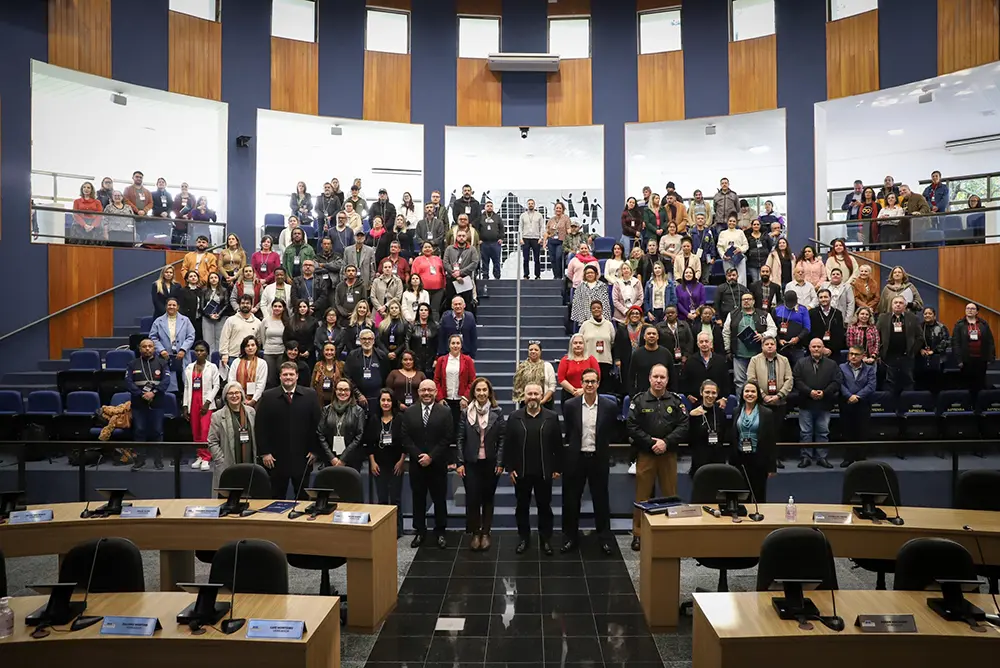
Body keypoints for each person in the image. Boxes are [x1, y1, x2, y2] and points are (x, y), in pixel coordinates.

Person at [627, 364, 688, 551]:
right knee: (642, 496)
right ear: (649, 378)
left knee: (671, 494)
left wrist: (666, 442)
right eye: (656, 377)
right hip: (646, 454)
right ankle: (638, 534)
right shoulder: (639, 401)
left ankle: (672, 533)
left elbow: (684, 426)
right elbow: (631, 426)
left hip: (668, 454)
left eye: (662, 377)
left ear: (667, 380)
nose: (659, 380)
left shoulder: (676, 401)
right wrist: (650, 442)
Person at [560, 368, 616, 555]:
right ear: (581, 384)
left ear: (598, 383)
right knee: (571, 501)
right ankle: (570, 538)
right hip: (576, 459)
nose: (590, 385)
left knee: (601, 500)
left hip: (598, 459)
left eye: (593, 381)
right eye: (586, 381)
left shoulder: (609, 406)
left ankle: (605, 540)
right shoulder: (570, 405)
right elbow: (570, 433)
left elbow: (610, 433)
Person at [255, 362, 330, 499]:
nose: (288, 377)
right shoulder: (268, 396)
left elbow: (318, 425)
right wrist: (265, 452)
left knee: (302, 499)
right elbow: (260, 427)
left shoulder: (310, 395)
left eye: (291, 374)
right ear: (280, 377)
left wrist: (315, 450)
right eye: (285, 374)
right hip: (275, 459)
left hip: (303, 458)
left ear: (297, 376)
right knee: (275, 499)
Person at [503, 382, 562, 555]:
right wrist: (510, 468)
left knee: (545, 507)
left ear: (541, 395)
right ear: (524, 396)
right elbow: (509, 445)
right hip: (521, 472)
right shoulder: (515, 417)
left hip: (544, 471)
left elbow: (557, 444)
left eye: (536, 394)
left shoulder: (551, 417)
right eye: (530, 394)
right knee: (522, 507)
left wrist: (558, 466)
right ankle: (524, 538)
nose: (533, 397)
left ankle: (545, 539)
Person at [401, 379, 453, 548]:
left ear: (436, 392)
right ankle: (420, 532)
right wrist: (418, 456)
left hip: (437, 464)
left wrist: (431, 456)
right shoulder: (409, 412)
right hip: (417, 465)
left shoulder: (445, 412)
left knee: (439, 499)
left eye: (430, 390)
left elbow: (447, 438)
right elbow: (405, 438)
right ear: (418, 392)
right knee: (418, 499)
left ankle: (440, 532)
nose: (427, 393)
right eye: (423, 390)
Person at [455, 377, 505, 551]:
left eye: (485, 390)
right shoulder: (465, 413)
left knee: (488, 498)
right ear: (473, 393)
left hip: (491, 463)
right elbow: (460, 439)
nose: (482, 393)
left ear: (489, 392)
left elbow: (502, 439)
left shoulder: (497, 412)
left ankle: (486, 533)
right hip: (471, 463)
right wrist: (459, 462)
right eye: (478, 390)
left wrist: (500, 462)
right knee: (473, 498)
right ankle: (475, 533)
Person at [746, 335, 793, 468]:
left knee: (776, 432)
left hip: (779, 402)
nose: (770, 346)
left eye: (772, 344)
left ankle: (774, 458)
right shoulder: (754, 360)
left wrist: (779, 395)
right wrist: (763, 396)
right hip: (761, 403)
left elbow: (789, 380)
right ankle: (761, 457)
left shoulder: (784, 360)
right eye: (767, 344)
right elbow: (751, 379)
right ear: (762, 346)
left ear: (776, 346)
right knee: (761, 431)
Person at [794, 338, 842, 469]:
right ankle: (806, 457)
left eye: (819, 346)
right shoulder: (801, 363)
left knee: (823, 431)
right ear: (809, 348)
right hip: (806, 403)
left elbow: (837, 381)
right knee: (805, 432)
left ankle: (822, 457)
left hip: (824, 403)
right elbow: (797, 381)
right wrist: (810, 392)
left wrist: (824, 392)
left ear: (823, 348)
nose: (816, 349)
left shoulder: (832, 364)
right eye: (814, 346)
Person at [126, 338, 171, 470]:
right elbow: (128, 382)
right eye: (144, 346)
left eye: (150, 346)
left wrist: (154, 392)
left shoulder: (162, 363)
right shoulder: (132, 364)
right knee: (139, 431)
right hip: (139, 403)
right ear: (140, 349)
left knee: (157, 431)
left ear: (154, 348)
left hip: (157, 403)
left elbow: (166, 381)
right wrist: (141, 394)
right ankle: (140, 460)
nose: (147, 349)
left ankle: (158, 460)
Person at [730, 381, 778, 503]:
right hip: (740, 459)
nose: (749, 394)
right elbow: (733, 437)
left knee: (758, 495)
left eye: (753, 391)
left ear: (757, 394)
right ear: (742, 394)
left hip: (759, 459)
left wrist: (771, 466)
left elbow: (771, 440)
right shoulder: (736, 411)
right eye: (747, 391)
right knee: (742, 494)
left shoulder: (766, 413)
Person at [366, 389, 405, 537]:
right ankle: (383, 530)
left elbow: (404, 442)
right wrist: (372, 462)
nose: (386, 403)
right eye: (383, 400)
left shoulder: (400, 419)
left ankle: (397, 530)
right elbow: (369, 443)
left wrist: (402, 461)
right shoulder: (374, 419)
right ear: (379, 402)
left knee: (395, 499)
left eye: (389, 400)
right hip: (379, 464)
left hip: (396, 464)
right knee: (382, 498)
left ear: (393, 402)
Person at [207, 382, 257, 490]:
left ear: (241, 394)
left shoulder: (251, 412)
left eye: (237, 393)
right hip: (228, 463)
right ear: (226, 396)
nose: (234, 396)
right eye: (230, 393)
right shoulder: (217, 416)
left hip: (249, 462)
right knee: (228, 497)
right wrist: (220, 460)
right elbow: (212, 441)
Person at [723, 291, 777, 392]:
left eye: (749, 299)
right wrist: (727, 349)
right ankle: (741, 407)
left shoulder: (764, 315)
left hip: (759, 356)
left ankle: (758, 406)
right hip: (739, 356)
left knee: (759, 382)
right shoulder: (732, 314)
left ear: (754, 301)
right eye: (744, 299)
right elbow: (726, 333)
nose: (746, 301)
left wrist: (763, 336)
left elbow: (774, 330)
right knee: (739, 383)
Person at [183, 340, 221, 471]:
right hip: (193, 401)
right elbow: (187, 387)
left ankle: (206, 457)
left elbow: (216, 386)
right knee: (196, 431)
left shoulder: (212, 367)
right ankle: (199, 455)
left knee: (205, 430)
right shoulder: (189, 367)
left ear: (207, 353)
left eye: (202, 350)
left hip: (206, 403)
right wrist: (185, 405)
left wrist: (208, 402)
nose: (199, 353)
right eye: (197, 350)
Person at [839, 346, 877, 468]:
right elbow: (839, 384)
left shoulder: (870, 369)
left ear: (862, 356)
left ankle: (861, 458)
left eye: (856, 354)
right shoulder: (841, 368)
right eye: (851, 354)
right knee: (847, 432)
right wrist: (849, 396)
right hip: (846, 403)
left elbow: (871, 386)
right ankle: (848, 458)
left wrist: (858, 396)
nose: (853, 356)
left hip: (863, 404)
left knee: (862, 431)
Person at [316, 379, 366, 470]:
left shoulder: (358, 411)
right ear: (335, 391)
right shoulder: (326, 410)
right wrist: (332, 458)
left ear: (351, 392)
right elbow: (320, 434)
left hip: (351, 460)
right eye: (340, 389)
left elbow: (359, 436)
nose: (343, 392)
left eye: (346, 390)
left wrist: (343, 459)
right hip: (331, 460)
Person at [150, 297, 195, 393]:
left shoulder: (185, 320)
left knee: (185, 381)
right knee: (167, 381)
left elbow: (191, 336)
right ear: (166, 306)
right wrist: (161, 350)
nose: (172, 307)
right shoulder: (158, 321)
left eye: (174, 305)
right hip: (165, 355)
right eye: (169, 305)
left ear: (178, 307)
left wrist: (183, 349)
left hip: (182, 355)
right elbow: (153, 337)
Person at [951, 303, 995, 399]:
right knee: (967, 384)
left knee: (980, 383)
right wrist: (959, 360)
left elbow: (990, 341)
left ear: (977, 312)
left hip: (981, 359)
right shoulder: (959, 325)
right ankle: (968, 406)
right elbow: (956, 343)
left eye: (972, 308)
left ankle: (979, 405)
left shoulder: (983, 324)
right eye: (967, 308)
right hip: (966, 360)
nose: (970, 310)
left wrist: (990, 357)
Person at [687, 379, 729, 477]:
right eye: (707, 392)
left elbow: (724, 435)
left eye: (714, 393)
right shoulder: (694, 413)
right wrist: (691, 417)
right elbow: (690, 439)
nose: (710, 396)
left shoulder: (720, 413)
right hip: (700, 459)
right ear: (701, 393)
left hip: (718, 459)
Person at [682, 331, 731, 407]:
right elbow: (684, 382)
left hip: (717, 403)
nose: (704, 344)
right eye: (701, 342)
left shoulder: (721, 361)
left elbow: (726, 382)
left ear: (711, 344)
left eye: (706, 341)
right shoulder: (690, 361)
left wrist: (724, 399)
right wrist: (688, 396)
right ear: (698, 344)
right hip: (697, 403)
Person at [580, 300, 618, 394]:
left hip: (605, 361)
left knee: (603, 390)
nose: (596, 309)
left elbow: (613, 342)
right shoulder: (585, 325)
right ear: (591, 310)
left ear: (602, 309)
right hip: (589, 361)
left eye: (598, 308)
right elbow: (580, 342)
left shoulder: (609, 325)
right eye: (593, 308)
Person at [344, 329, 389, 408]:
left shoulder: (381, 356)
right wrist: (358, 394)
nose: (367, 341)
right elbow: (347, 376)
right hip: (357, 399)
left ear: (374, 341)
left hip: (377, 398)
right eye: (364, 339)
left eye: (369, 339)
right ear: (360, 341)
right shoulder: (353, 355)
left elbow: (386, 376)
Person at [442, 228, 480, 312]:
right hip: (451, 279)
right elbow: (445, 263)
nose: (461, 238)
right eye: (459, 236)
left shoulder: (472, 249)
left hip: (465, 280)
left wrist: (460, 272)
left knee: (467, 303)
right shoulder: (449, 249)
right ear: (456, 237)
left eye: (463, 236)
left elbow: (474, 263)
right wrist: (454, 274)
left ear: (467, 237)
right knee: (450, 302)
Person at [628, 326, 672, 397]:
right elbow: (631, 377)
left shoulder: (666, 353)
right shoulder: (637, 354)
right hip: (642, 397)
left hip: (663, 397)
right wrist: (632, 395)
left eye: (654, 334)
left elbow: (672, 376)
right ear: (644, 337)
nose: (651, 335)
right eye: (649, 334)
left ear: (658, 337)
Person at [219, 294, 260, 366]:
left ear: (252, 305)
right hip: (233, 356)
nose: (245, 305)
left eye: (247, 303)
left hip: (250, 358)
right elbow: (224, 338)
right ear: (239, 305)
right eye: (243, 303)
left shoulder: (258, 322)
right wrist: (224, 354)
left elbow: (259, 341)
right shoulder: (231, 320)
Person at [227, 335, 267, 407]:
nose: (250, 348)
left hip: (256, 400)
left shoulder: (262, 363)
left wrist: (254, 400)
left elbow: (261, 384)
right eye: (247, 346)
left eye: (252, 345)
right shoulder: (236, 362)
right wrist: (239, 397)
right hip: (236, 398)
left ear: (257, 347)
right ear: (244, 348)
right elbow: (231, 381)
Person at [916, 307, 950, 391]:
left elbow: (945, 341)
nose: (927, 315)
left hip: (938, 359)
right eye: (925, 314)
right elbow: (914, 340)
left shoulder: (941, 327)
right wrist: (920, 350)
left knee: (936, 385)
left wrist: (934, 351)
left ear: (934, 316)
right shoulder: (919, 327)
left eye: (930, 313)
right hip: (922, 359)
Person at [513, 341, 556, 407]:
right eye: (531, 350)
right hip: (526, 403)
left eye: (536, 350)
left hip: (545, 402)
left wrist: (543, 401)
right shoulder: (522, 367)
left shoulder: (547, 366)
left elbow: (552, 386)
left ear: (540, 352)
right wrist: (527, 400)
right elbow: (518, 386)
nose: (533, 351)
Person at [657, 305, 695, 382]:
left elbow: (690, 341)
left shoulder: (684, 325)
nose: (670, 314)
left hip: (683, 359)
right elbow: (657, 343)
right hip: (665, 359)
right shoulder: (659, 327)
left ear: (676, 314)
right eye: (668, 313)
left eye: (672, 312)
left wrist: (686, 355)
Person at [257, 299, 289, 388]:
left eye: (279, 306)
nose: (277, 308)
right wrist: (266, 347)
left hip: (282, 353)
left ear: (283, 308)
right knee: (270, 378)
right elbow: (262, 337)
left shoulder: (287, 321)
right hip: (269, 352)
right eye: (275, 306)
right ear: (271, 307)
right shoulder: (265, 321)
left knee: (282, 377)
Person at [809, 288, 847, 363]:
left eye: (826, 297)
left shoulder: (837, 313)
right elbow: (810, 333)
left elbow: (840, 334)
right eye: (821, 297)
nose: (823, 299)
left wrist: (831, 349)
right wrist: (821, 348)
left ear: (830, 298)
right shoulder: (811, 313)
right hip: (816, 352)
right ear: (818, 299)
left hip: (834, 352)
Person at [411, 241, 447, 317]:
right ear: (422, 249)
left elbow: (443, 273)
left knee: (435, 310)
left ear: (433, 249)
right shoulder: (417, 260)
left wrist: (444, 286)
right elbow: (413, 274)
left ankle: (435, 327)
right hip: (423, 289)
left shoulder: (438, 259)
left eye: (429, 247)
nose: (428, 249)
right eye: (425, 247)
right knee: (423, 309)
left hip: (438, 289)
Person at [200, 271, 229, 355]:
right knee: (208, 340)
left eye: (215, 277)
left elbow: (226, 304)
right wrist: (209, 315)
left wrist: (219, 314)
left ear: (218, 279)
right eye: (211, 278)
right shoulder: (204, 290)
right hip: (207, 319)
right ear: (209, 280)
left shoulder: (224, 290)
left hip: (220, 318)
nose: (213, 279)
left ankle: (218, 361)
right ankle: (208, 361)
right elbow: (201, 306)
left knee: (220, 340)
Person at [407, 303, 439, 376]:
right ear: (418, 312)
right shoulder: (412, 325)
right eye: (421, 310)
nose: (423, 312)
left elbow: (438, 343)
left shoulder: (435, 326)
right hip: (416, 358)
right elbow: (407, 342)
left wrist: (436, 359)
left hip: (430, 359)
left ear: (429, 312)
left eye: (425, 310)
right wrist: (410, 357)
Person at [717, 213, 748, 286]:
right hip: (727, 258)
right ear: (727, 222)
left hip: (739, 257)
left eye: (734, 221)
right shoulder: (723, 233)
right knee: (729, 276)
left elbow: (746, 245)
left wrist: (740, 249)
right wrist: (723, 255)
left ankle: (741, 293)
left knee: (741, 277)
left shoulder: (740, 232)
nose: (732, 223)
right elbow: (719, 247)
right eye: (730, 221)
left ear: (736, 222)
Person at [371, 259, 404, 324]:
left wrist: (386, 306)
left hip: (392, 310)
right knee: (378, 331)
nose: (387, 269)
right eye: (385, 267)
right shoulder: (376, 281)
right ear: (382, 269)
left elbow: (398, 297)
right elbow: (372, 296)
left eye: (389, 267)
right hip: (378, 310)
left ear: (392, 269)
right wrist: (379, 308)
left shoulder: (398, 281)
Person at [311, 341, 343, 407]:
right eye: (327, 350)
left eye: (332, 350)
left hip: (337, 401)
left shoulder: (341, 365)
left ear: (335, 352)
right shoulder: (318, 365)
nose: (329, 352)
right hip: (320, 402)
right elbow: (312, 385)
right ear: (323, 352)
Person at [377, 300, 408, 367]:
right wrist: (387, 353)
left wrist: (395, 352)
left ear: (400, 310)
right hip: (385, 354)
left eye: (396, 308)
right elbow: (379, 340)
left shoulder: (405, 324)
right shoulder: (382, 324)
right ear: (389, 310)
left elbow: (405, 341)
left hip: (399, 355)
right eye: (392, 308)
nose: (394, 310)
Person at [478, 200, 504, 280]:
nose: (489, 207)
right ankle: (485, 277)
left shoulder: (497, 217)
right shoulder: (481, 217)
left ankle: (497, 277)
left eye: (491, 206)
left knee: (496, 261)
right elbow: (477, 229)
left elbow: (502, 228)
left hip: (495, 243)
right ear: (485, 207)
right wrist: (479, 239)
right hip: (484, 243)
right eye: (488, 206)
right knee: (485, 262)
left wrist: (501, 238)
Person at [688, 212, 717, 285]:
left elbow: (712, 244)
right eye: (698, 219)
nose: (700, 220)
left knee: (705, 280)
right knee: (694, 279)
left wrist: (713, 257)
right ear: (695, 220)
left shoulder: (708, 232)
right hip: (694, 258)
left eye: (702, 219)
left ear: (704, 220)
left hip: (706, 259)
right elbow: (688, 245)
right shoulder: (691, 232)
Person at [519, 198, 544, 280]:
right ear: (527, 205)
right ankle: (526, 275)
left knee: (536, 258)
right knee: (525, 258)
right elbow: (520, 227)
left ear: (534, 205)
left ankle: (537, 275)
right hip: (525, 238)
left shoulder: (539, 215)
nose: (530, 205)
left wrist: (541, 238)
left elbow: (541, 227)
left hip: (536, 238)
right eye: (529, 203)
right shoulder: (523, 215)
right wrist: (520, 238)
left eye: (532, 203)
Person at [179, 269, 204, 341]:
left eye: (195, 276)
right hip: (188, 319)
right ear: (187, 279)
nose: (193, 278)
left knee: (199, 338)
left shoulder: (201, 291)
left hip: (199, 319)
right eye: (191, 276)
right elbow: (181, 306)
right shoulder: (183, 291)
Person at [743, 219, 771, 284]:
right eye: (754, 224)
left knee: (762, 280)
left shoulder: (765, 236)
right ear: (752, 226)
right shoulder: (747, 236)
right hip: (752, 263)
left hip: (764, 261)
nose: (756, 226)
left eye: (757, 224)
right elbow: (746, 248)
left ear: (760, 226)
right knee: (755, 280)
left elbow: (770, 246)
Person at [170, 182, 196, 246]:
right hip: (179, 220)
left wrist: (188, 215)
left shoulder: (192, 197)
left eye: (185, 186)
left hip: (189, 220)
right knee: (177, 237)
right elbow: (174, 208)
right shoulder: (177, 197)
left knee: (189, 237)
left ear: (188, 188)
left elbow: (194, 208)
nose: (184, 188)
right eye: (182, 186)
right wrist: (182, 215)